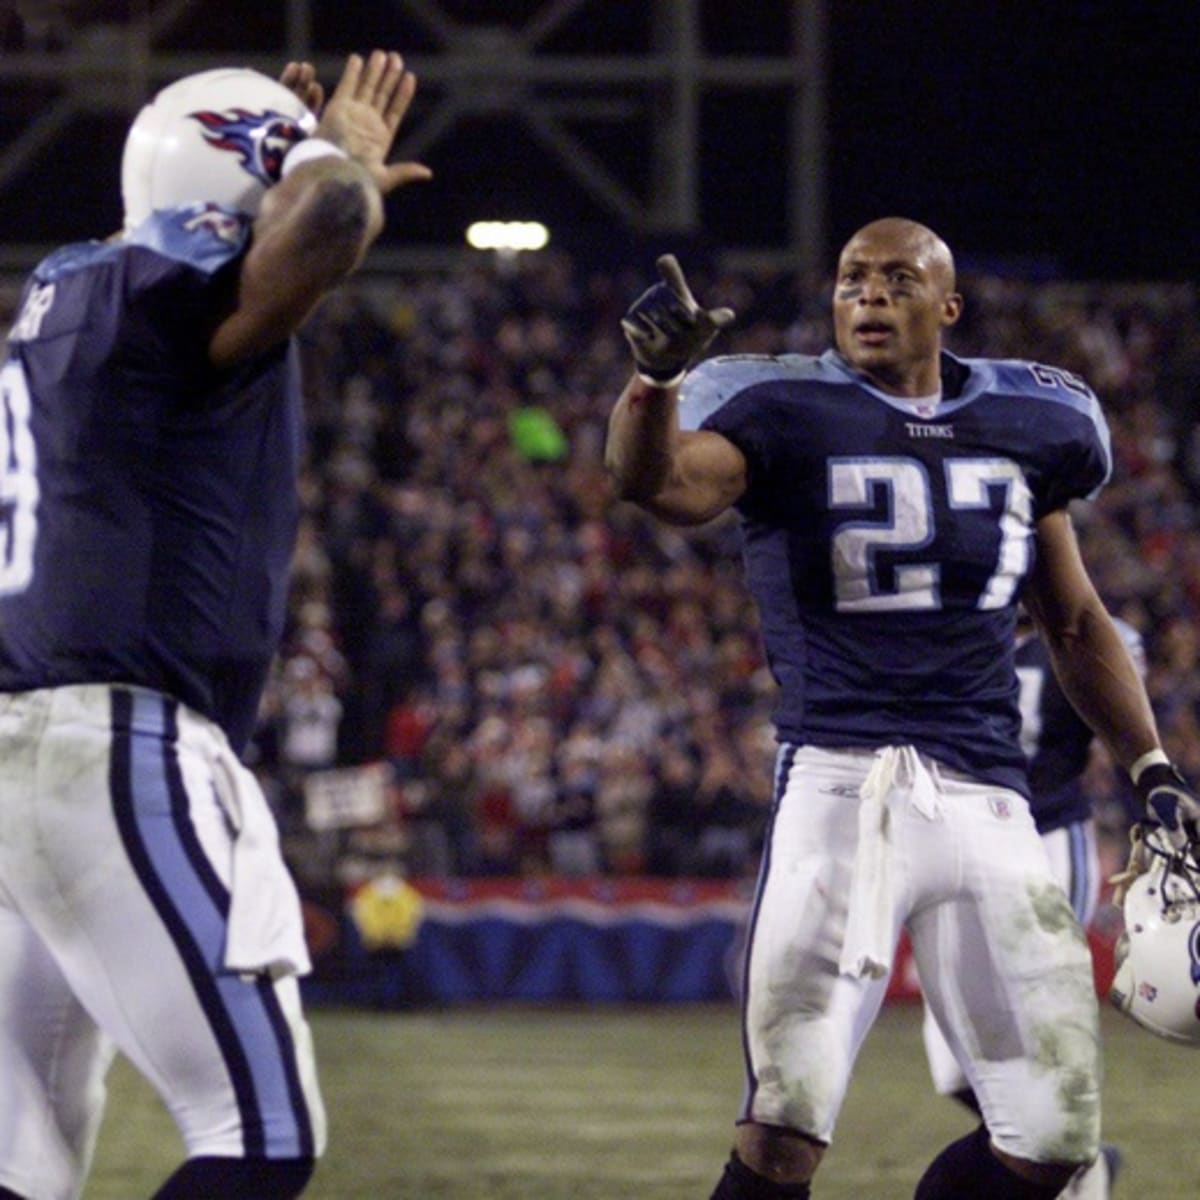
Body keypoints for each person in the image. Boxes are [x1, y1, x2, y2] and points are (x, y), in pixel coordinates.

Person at [604, 218, 1200, 1200]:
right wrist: (655, 383)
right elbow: (655, 482)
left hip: (991, 798)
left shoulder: (1031, 424)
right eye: (851, 280)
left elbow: (1076, 621)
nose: (869, 296)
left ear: (947, 306)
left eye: (896, 279)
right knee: (786, 1126)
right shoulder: (778, 407)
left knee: (1051, 1140)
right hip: (842, 787)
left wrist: (1153, 771)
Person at [0, 50, 429, 1200]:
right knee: (260, 1132)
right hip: (113, 744)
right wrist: (333, 160)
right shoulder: (160, 285)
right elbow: (332, 215)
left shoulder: (71, 285)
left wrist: (297, 165)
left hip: (36, 743)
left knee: (26, 1155)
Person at [920, 610, 1144, 1199]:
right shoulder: (948, 624)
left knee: (1046, 1020)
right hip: (967, 840)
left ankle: (1075, 1166)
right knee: (949, 1064)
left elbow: (1124, 736)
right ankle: (1077, 1155)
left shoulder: (1089, 634)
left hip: (1049, 835)